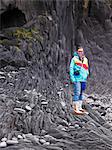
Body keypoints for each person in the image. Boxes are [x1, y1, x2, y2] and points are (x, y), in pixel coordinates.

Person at [70, 47, 89, 115]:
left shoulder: (85, 59)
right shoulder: (74, 59)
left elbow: (86, 68)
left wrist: (87, 74)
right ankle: (75, 108)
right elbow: (71, 68)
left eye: (82, 51)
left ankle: (79, 107)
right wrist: (72, 78)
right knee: (77, 92)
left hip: (83, 79)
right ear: (77, 52)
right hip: (77, 79)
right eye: (79, 51)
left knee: (81, 92)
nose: (81, 52)